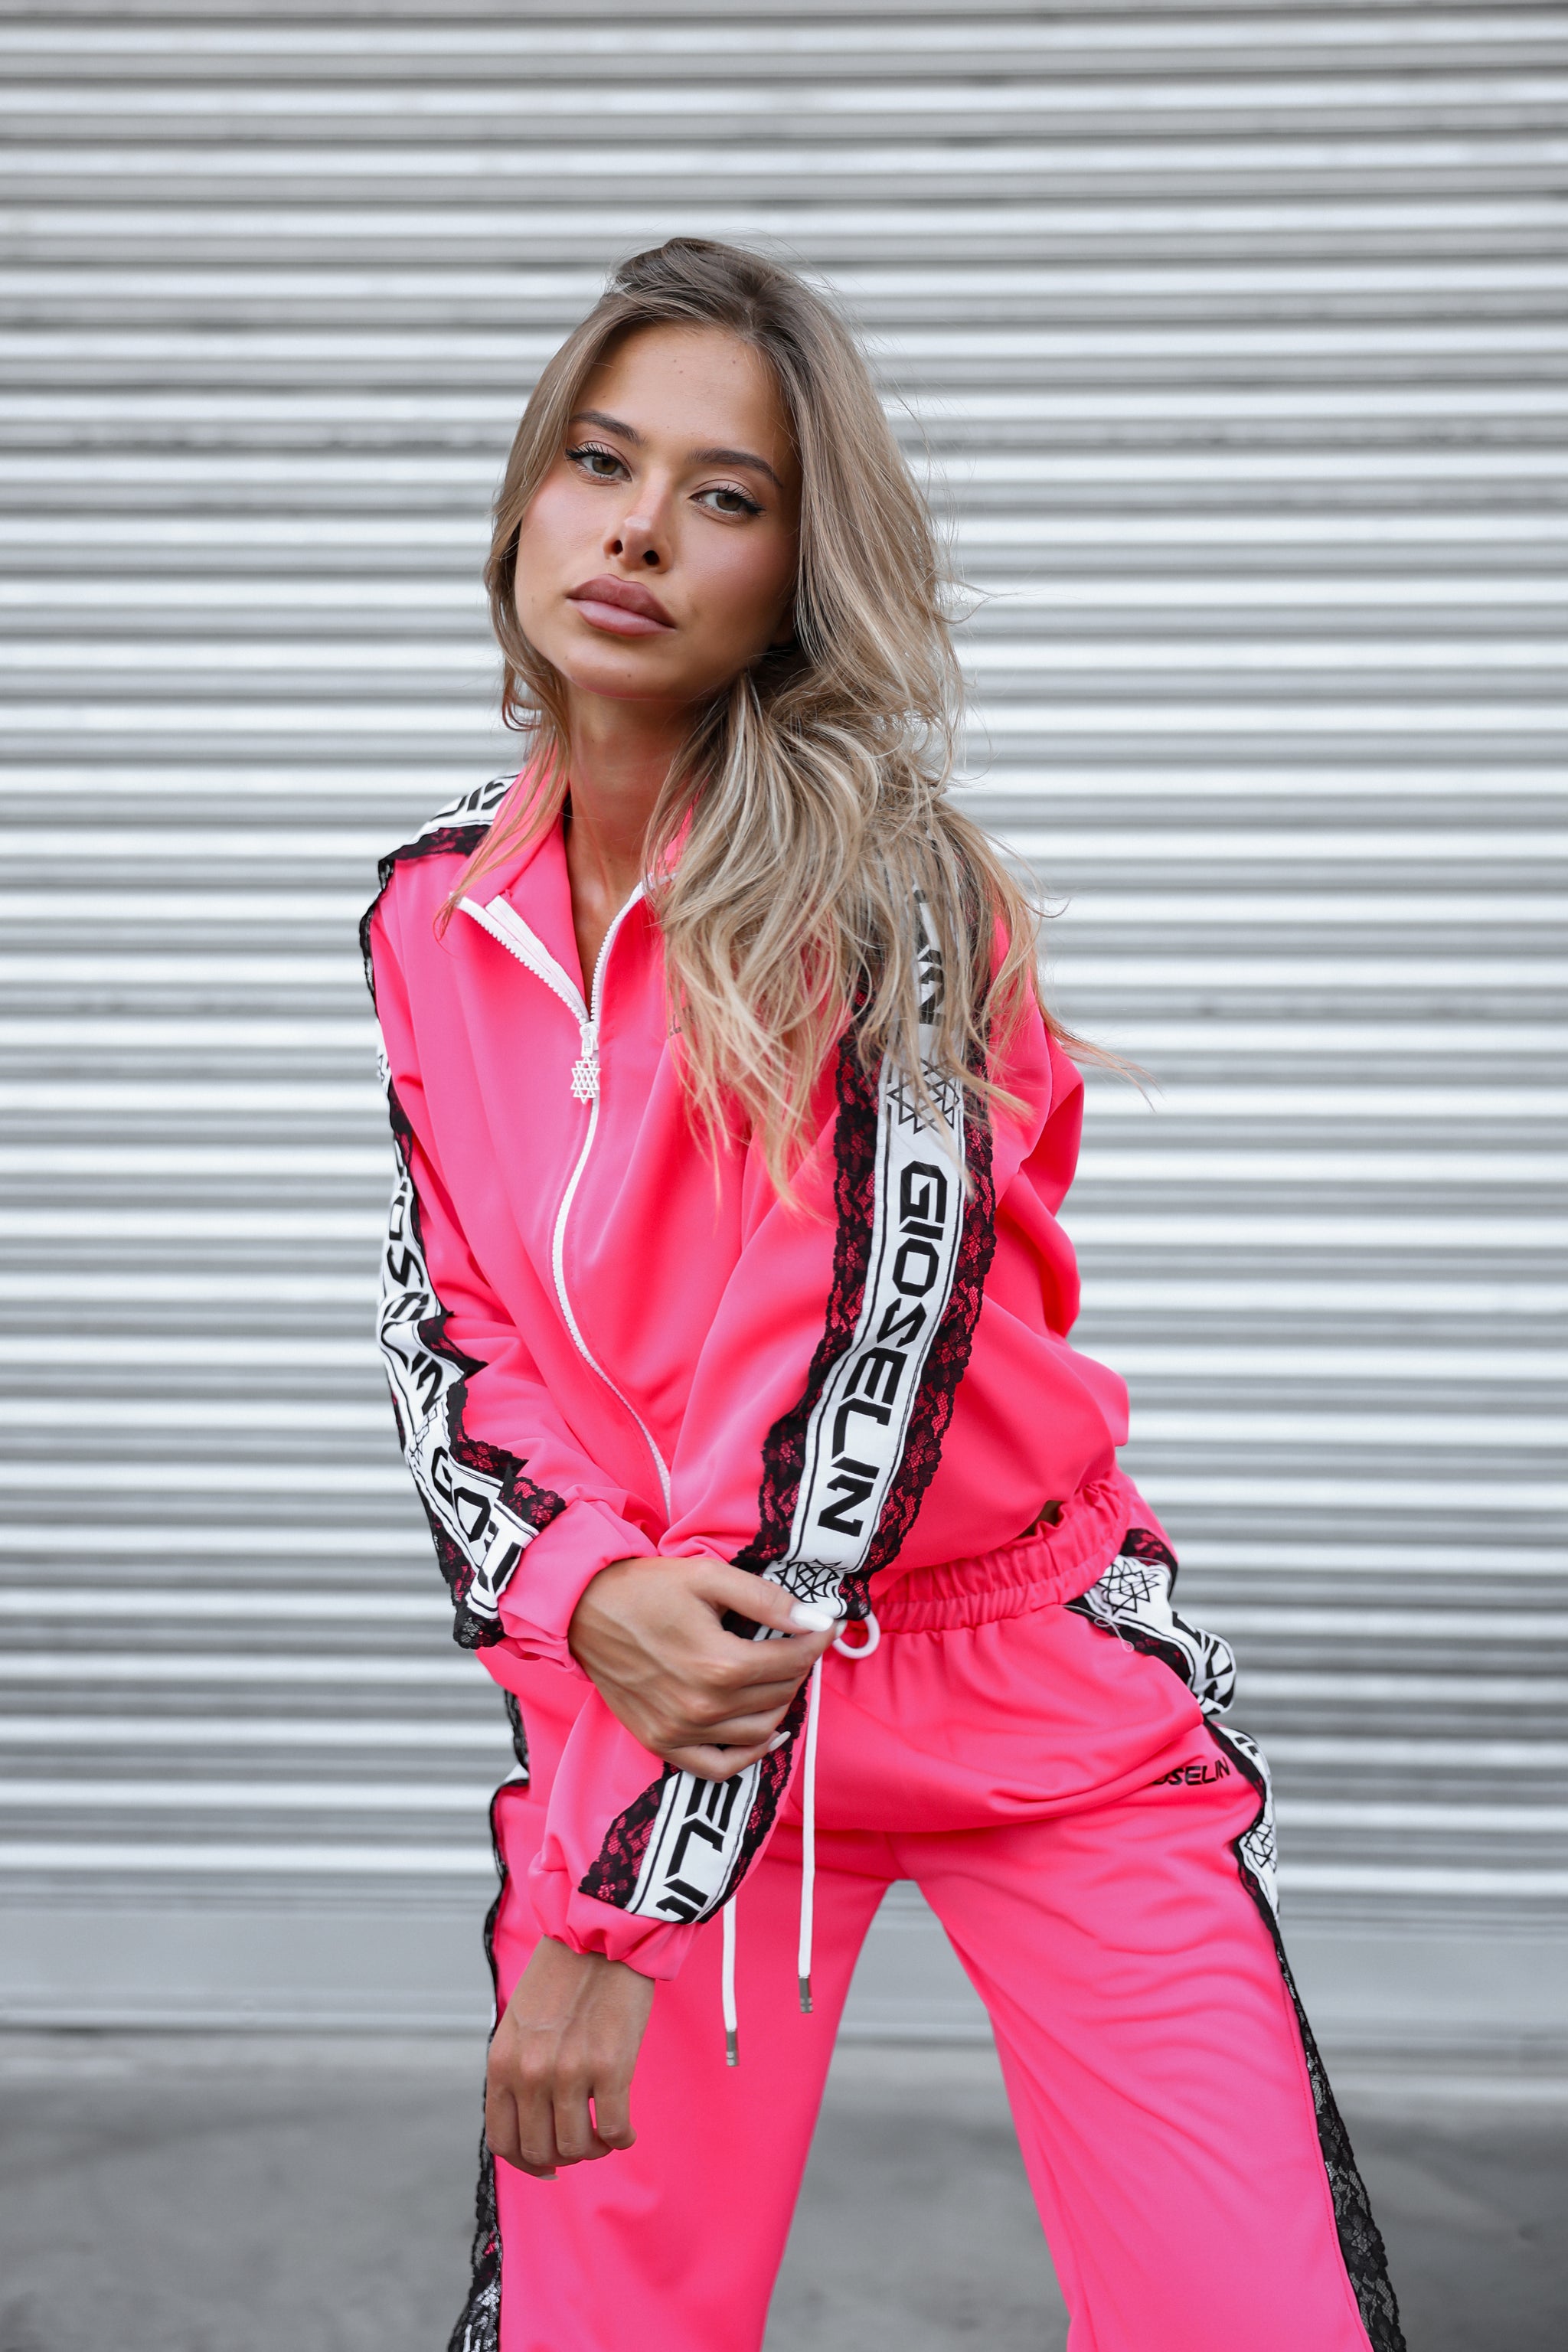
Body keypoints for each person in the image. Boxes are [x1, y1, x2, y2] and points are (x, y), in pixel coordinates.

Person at [362, 239, 1403, 2352]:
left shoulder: (891, 899)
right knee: (598, 2329)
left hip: (1022, 1688)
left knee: (1245, 2317)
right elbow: (449, 1328)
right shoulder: (431, 910)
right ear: (528, 496)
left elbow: (853, 1379)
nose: (638, 531)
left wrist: (612, 1911)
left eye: (726, 495)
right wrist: (579, 1598)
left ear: (799, 574)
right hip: (661, 1680)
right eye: (599, 462)